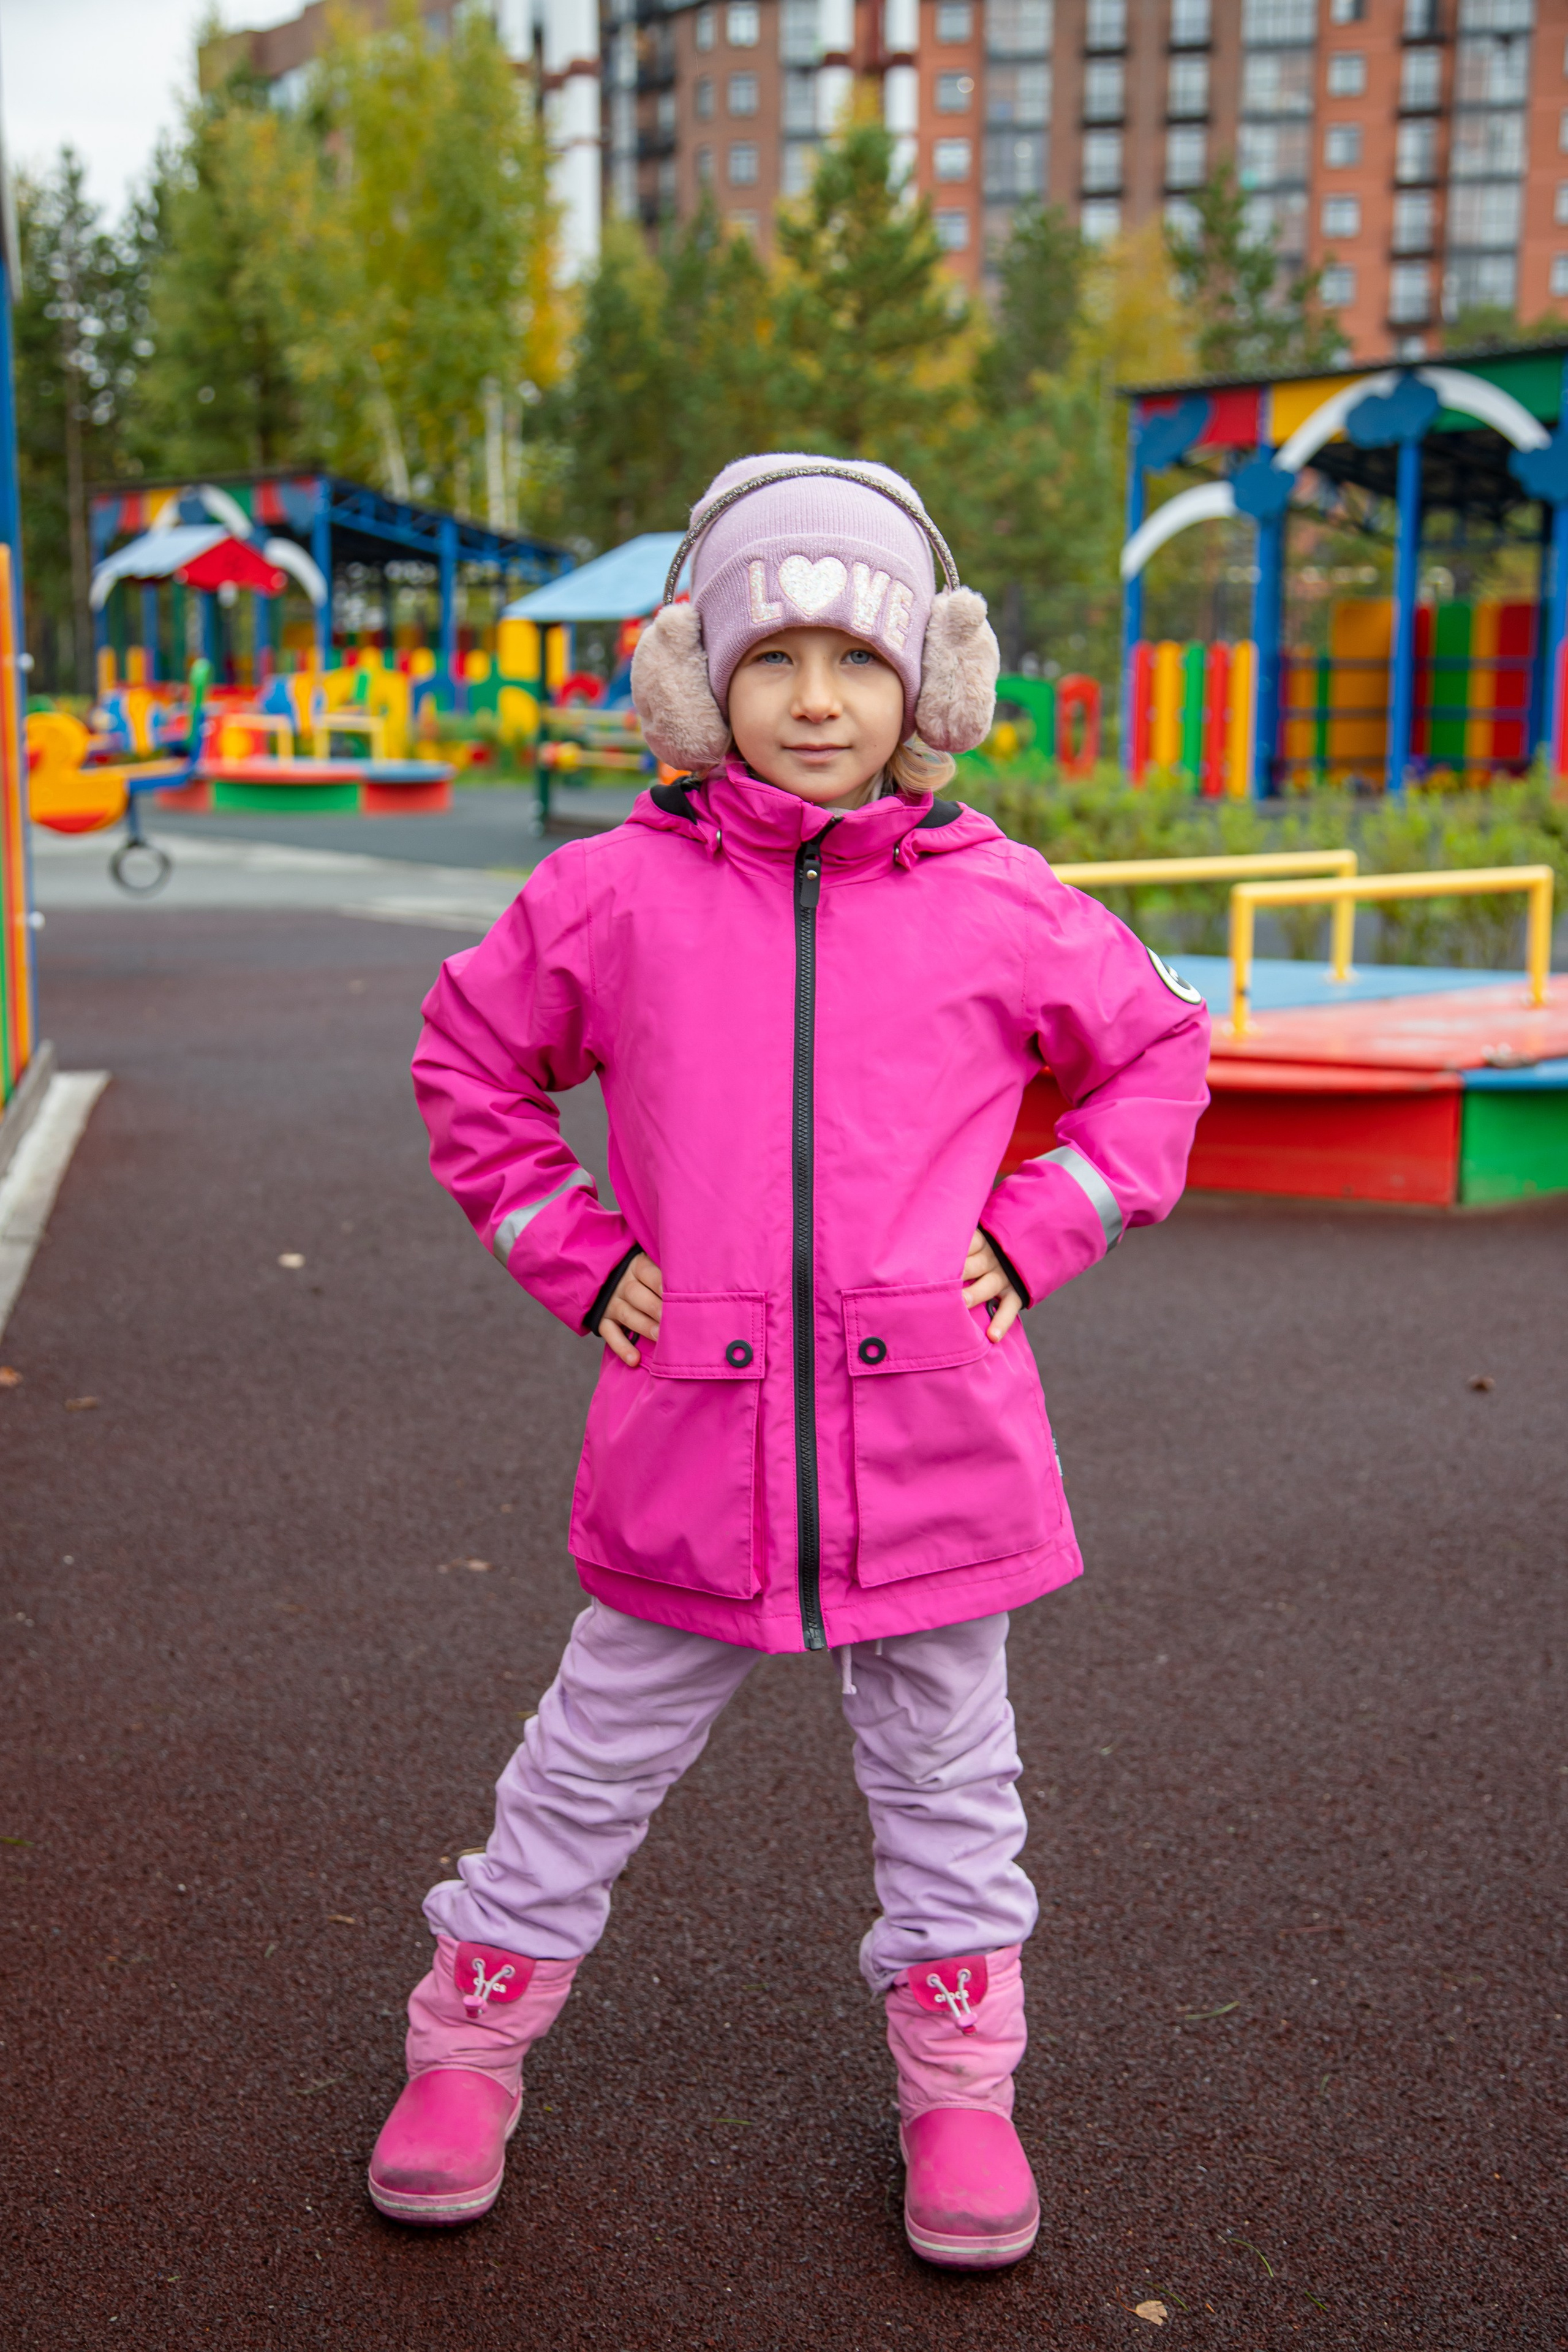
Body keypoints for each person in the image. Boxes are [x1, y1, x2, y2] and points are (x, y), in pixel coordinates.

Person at [370, 456, 1210, 2269]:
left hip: (938, 1447)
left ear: (931, 684)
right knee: (585, 1762)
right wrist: (576, 1250)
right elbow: (470, 1065)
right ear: (700, 682)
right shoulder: (615, 895)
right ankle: (467, 2047)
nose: (816, 697)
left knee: (948, 1782)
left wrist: (1041, 1225)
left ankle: (962, 2088)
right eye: (772, 656)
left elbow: (1157, 1057)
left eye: (858, 654)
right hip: (691, 1438)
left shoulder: (1004, 904)